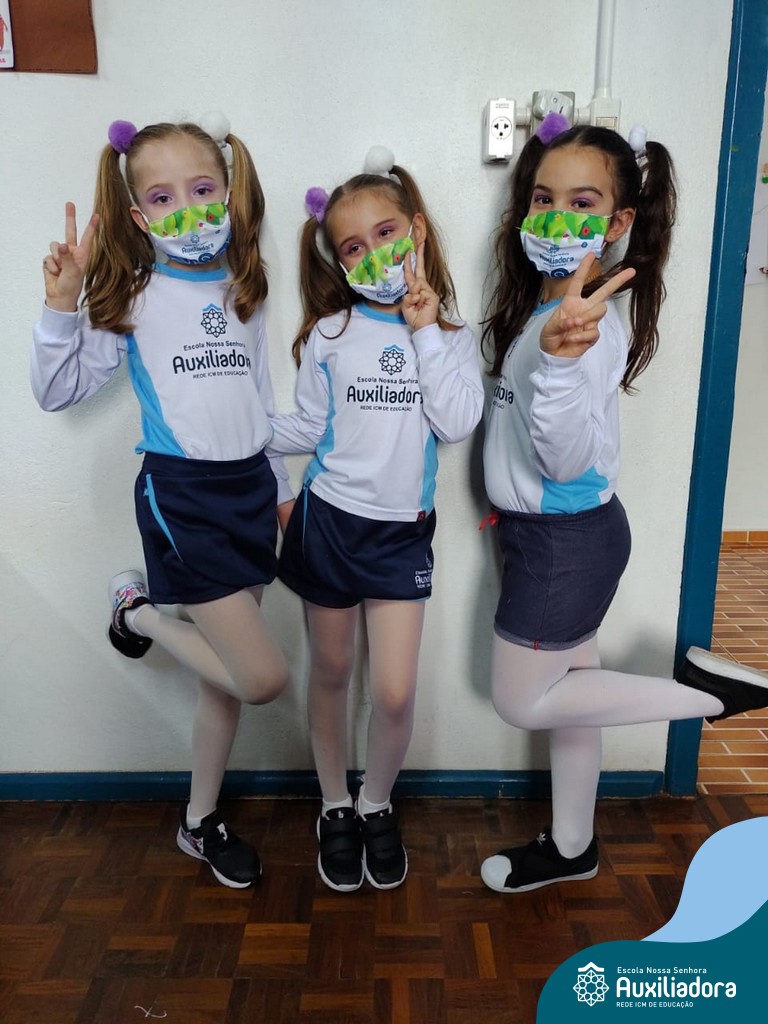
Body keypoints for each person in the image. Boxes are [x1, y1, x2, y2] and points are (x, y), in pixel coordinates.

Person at [479, 114, 768, 894]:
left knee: (522, 700)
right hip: (567, 536)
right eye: (544, 199)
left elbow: (563, 457)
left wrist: (558, 367)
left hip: (562, 544)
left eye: (583, 203)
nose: (556, 217)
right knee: (572, 699)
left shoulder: (582, 330)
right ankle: (573, 846)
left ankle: (712, 696)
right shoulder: (551, 312)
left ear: (618, 223)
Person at [30, 115, 292, 889]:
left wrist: (280, 492)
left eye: (203, 188)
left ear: (229, 193)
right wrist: (61, 306)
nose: (188, 208)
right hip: (183, 499)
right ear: (139, 216)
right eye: (163, 196)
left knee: (223, 681)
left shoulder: (245, 287)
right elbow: (57, 390)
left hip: (250, 492)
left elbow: (261, 398)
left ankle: (199, 821)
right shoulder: (134, 295)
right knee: (260, 677)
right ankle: (137, 613)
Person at [268, 147, 483, 891]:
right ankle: (335, 804)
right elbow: (305, 428)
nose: (372, 254)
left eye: (385, 234)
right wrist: (244, 449)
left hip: (400, 536)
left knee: (392, 691)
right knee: (331, 672)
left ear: (416, 230)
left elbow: (455, 423)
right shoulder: (329, 335)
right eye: (352, 246)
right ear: (337, 259)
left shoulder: (451, 337)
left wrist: (424, 331)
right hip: (327, 524)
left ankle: (376, 802)